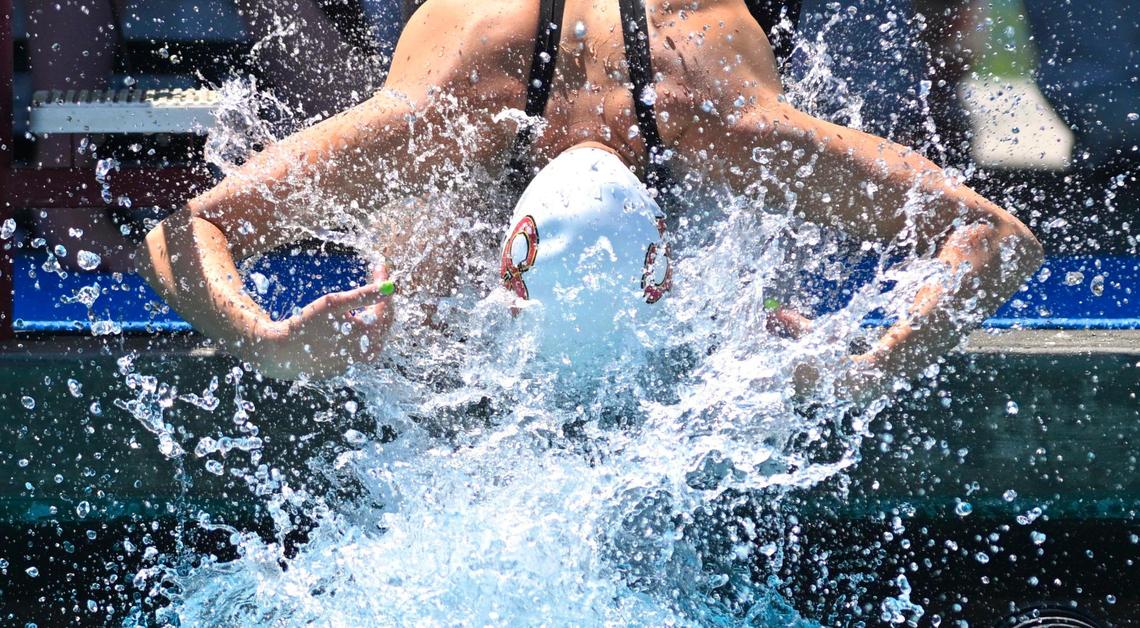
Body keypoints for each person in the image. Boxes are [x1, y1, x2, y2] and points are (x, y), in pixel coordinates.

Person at [135, 0, 1043, 399]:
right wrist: (273, 346)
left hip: (670, 53)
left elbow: (995, 235)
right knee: (418, 280)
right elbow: (188, 229)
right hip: (493, 55)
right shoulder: (451, 105)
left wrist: (856, 372)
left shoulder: (717, 110)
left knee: (743, 308)